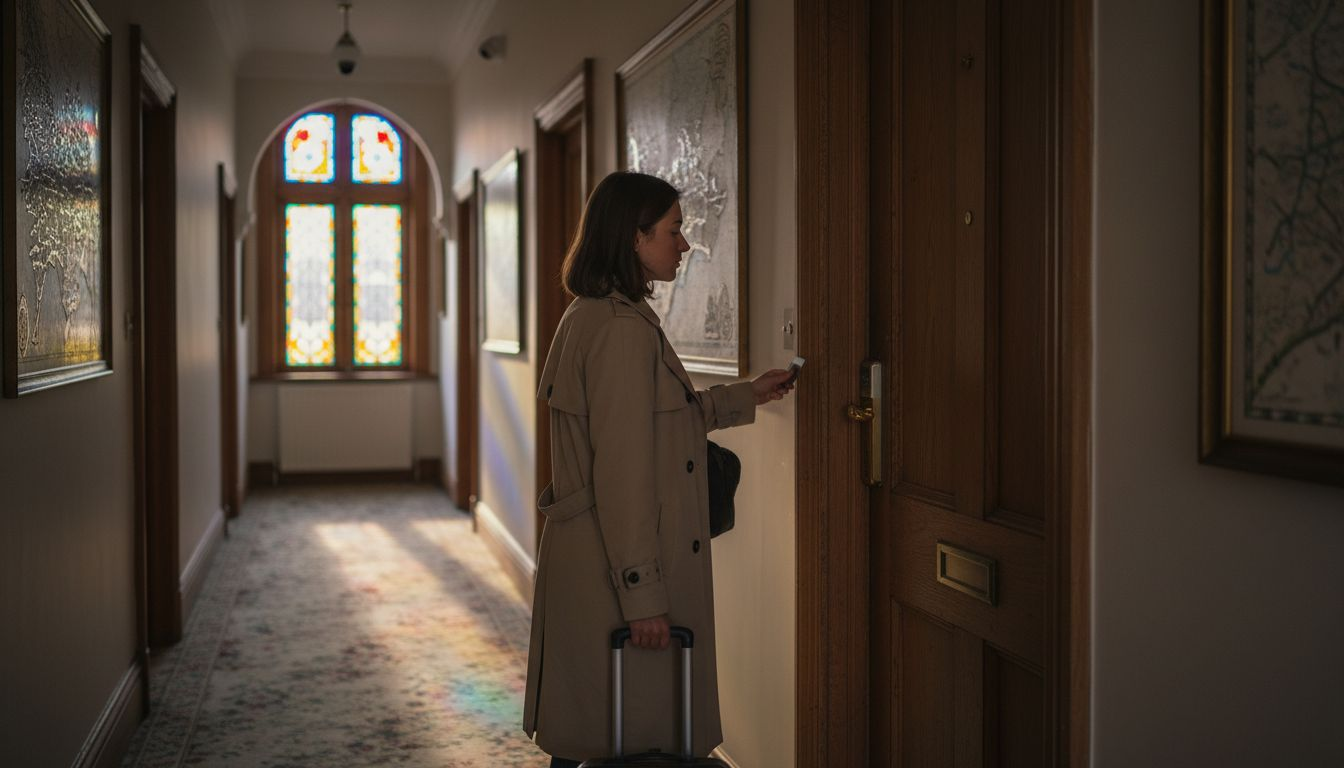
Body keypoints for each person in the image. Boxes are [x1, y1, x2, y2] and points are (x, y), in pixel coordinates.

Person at [523, 171, 795, 767]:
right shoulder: (619, 331)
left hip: (598, 559)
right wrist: (643, 595)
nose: (684, 244)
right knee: (630, 737)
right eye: (673, 231)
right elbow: (624, 474)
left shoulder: (595, 314)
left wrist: (747, 394)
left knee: (602, 733)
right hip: (614, 566)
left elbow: (655, 425)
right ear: (633, 237)